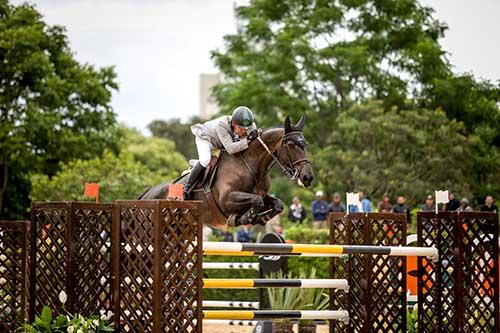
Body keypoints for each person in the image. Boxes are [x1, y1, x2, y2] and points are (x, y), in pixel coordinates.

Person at [185, 106, 259, 199]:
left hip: (221, 144)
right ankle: (187, 187)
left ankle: (196, 164)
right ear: (233, 123)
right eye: (241, 128)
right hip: (206, 139)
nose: (245, 131)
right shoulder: (221, 125)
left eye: (247, 129)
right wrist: (248, 140)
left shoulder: (250, 126)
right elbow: (231, 149)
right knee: (205, 160)